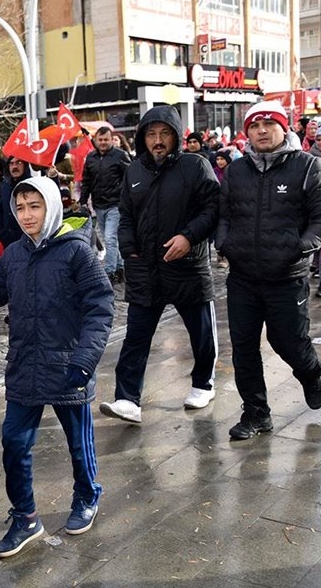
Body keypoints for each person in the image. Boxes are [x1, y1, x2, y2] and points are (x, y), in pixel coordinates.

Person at [0, 175, 114, 557]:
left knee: (79, 444)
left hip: (68, 367)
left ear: (51, 207)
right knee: (14, 442)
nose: (27, 215)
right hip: (26, 366)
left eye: (35, 206)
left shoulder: (76, 252)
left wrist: (85, 359)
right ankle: (26, 516)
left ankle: (87, 495)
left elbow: (100, 306)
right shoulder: (13, 254)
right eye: (21, 207)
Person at [217, 100, 321, 440]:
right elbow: (224, 214)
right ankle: (256, 413)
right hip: (242, 276)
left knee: (287, 342)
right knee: (243, 347)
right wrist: (224, 242)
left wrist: (299, 247)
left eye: (269, 124)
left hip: (286, 276)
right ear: (247, 133)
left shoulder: (307, 166)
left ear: (283, 129)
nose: (262, 131)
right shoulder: (236, 171)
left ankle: (310, 372)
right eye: (255, 126)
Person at [99, 105, 220, 424]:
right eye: (151, 134)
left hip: (187, 267)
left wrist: (188, 237)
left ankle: (203, 383)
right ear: (142, 137)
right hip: (145, 270)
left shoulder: (196, 166)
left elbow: (213, 208)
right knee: (135, 337)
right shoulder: (134, 170)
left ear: (176, 135)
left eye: (164, 133)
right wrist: (128, 249)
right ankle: (127, 399)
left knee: (201, 333)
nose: (157, 140)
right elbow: (125, 215)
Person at [80, 126, 132, 284]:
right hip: (98, 204)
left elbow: (130, 177)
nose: (103, 143)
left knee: (110, 238)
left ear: (111, 140)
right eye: (100, 140)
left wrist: (125, 196)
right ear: (96, 140)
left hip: (116, 204)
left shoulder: (120, 156)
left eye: (106, 140)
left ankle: (109, 271)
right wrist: (83, 200)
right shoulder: (91, 158)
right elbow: (86, 181)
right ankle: (120, 267)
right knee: (109, 238)